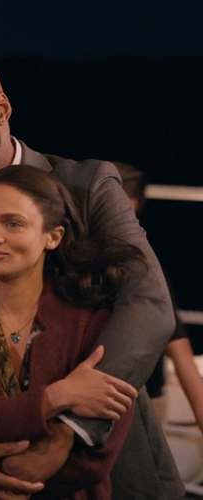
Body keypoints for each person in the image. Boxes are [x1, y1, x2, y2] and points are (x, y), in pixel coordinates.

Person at [0, 56, 183, 499]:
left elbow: (150, 302)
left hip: (107, 458)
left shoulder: (88, 185)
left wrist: (69, 431)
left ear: (2, 108)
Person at [0, 165, 140, 498]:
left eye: (13, 223)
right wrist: (58, 396)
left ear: (53, 237)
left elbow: (96, 459)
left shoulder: (94, 322)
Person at [113, 161, 203, 431]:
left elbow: (179, 348)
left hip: (141, 403)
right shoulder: (74, 262)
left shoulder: (144, 268)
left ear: (129, 206)